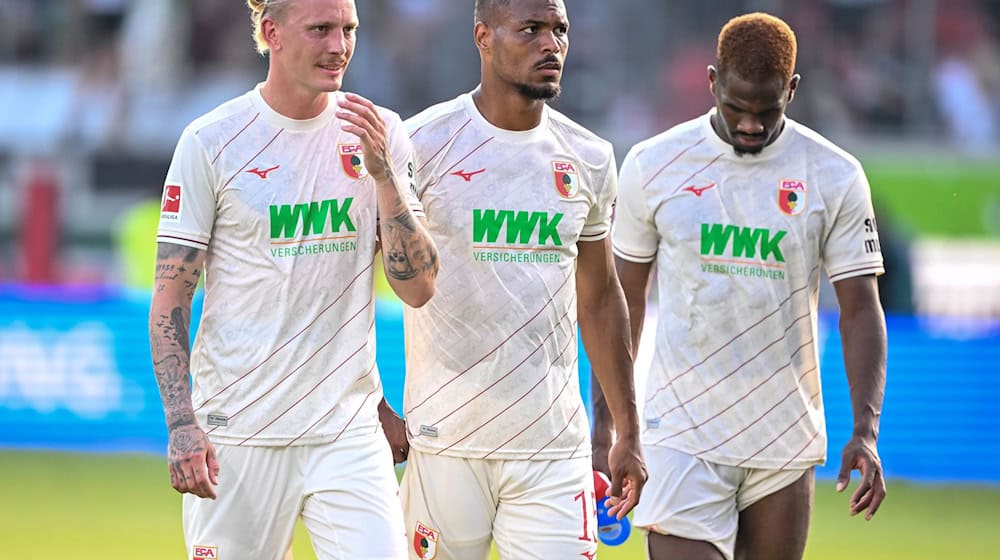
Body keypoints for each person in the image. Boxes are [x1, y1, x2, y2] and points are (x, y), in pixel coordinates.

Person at [592, 12, 888, 560]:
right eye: (736, 108)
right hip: (681, 431)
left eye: (767, 111)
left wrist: (865, 430)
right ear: (712, 82)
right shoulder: (654, 165)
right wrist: (608, 430)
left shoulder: (835, 174)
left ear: (792, 90)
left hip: (784, 434)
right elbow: (620, 302)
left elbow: (860, 310)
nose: (751, 124)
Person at [148, 1, 438, 558]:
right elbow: (171, 299)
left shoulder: (381, 135)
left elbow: (419, 288)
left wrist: (383, 177)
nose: (339, 46)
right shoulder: (212, 141)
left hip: (347, 431)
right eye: (321, 29)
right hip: (239, 432)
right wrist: (182, 425)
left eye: (349, 30)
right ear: (270, 32)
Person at [398, 0, 646, 558]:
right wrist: (373, 404)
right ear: (483, 37)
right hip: (445, 441)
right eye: (530, 30)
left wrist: (627, 430)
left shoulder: (589, 156)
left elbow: (602, 301)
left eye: (559, 30)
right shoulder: (421, 143)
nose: (550, 44)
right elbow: (360, 278)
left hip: (553, 448)